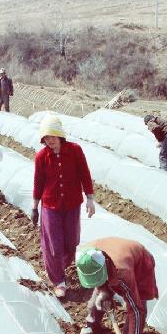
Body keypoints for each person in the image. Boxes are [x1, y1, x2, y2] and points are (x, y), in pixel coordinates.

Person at [75, 238, 158, 334]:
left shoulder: (122, 274)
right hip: (113, 261)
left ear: (105, 267)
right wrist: (103, 291)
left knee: (138, 303)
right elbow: (97, 278)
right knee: (97, 299)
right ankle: (92, 323)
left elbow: (136, 310)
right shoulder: (85, 256)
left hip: (140, 265)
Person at [31, 114, 95, 298]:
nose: (49, 140)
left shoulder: (75, 150)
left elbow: (84, 174)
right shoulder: (41, 156)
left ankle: (64, 265)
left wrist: (90, 198)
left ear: (59, 135)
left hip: (72, 204)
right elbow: (38, 182)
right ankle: (58, 281)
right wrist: (35, 206)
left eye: (52, 136)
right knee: (53, 245)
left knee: (71, 242)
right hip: (50, 206)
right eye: (45, 137)